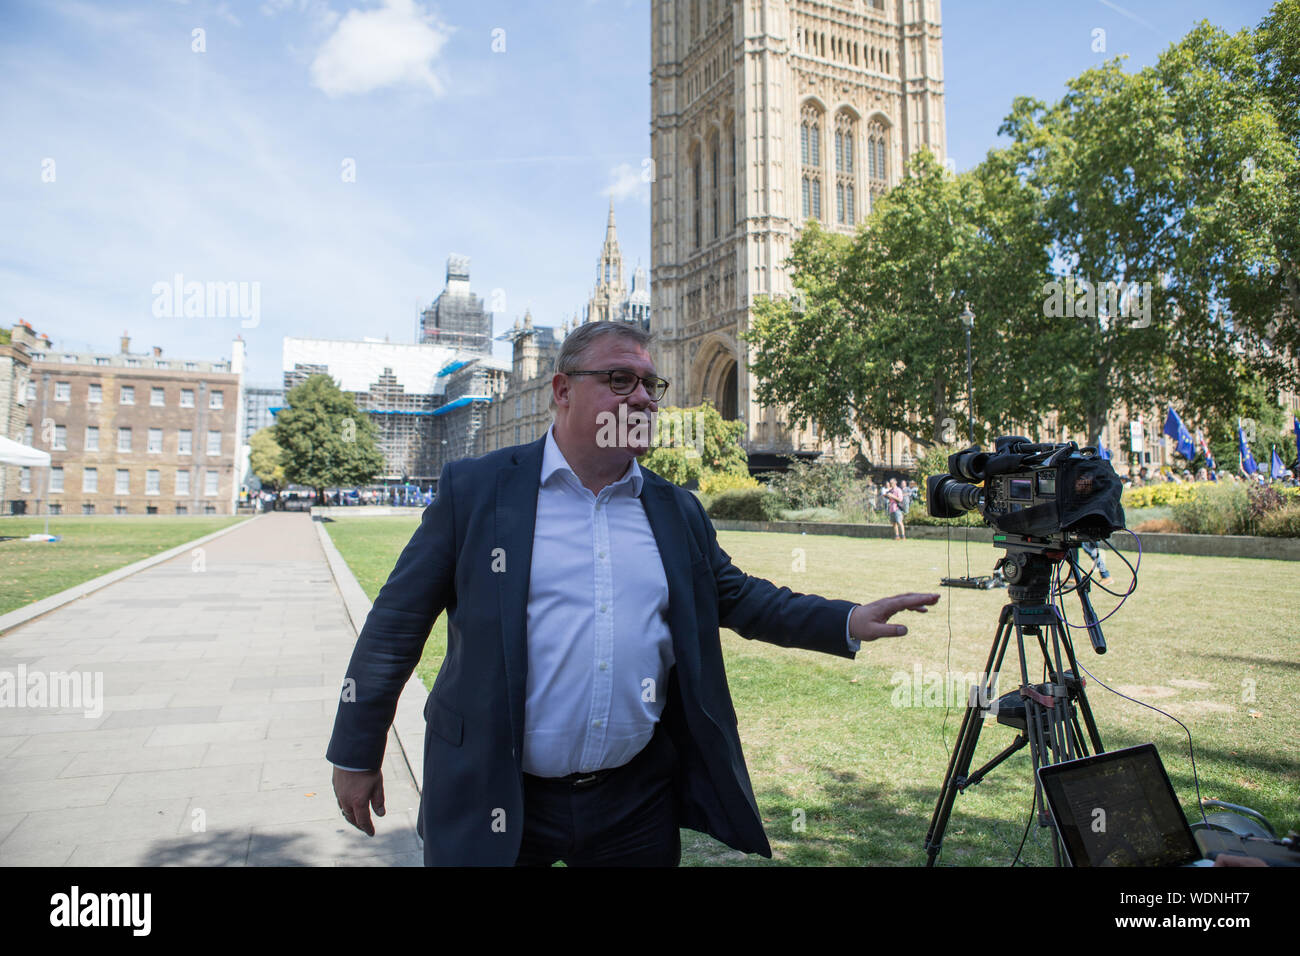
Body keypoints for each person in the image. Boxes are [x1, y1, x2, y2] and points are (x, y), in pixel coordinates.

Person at [327, 322, 939, 867]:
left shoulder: (675, 509)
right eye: (621, 379)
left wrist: (847, 620)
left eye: (652, 384)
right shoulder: (479, 490)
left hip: (633, 802)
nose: (644, 396)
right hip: (495, 787)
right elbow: (395, 624)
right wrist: (358, 751)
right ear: (562, 391)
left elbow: (740, 597)